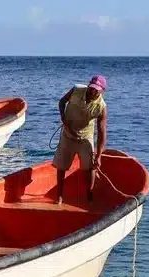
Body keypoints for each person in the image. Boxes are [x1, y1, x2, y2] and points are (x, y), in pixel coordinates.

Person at [53, 75, 108, 204]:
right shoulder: (76, 90)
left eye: (96, 90)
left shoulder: (102, 107)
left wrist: (99, 155)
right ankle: (59, 196)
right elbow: (62, 102)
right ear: (89, 85)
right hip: (67, 134)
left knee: (90, 168)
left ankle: (89, 194)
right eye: (91, 88)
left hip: (85, 137)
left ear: (102, 91)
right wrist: (63, 119)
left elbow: (102, 132)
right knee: (61, 166)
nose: (93, 92)